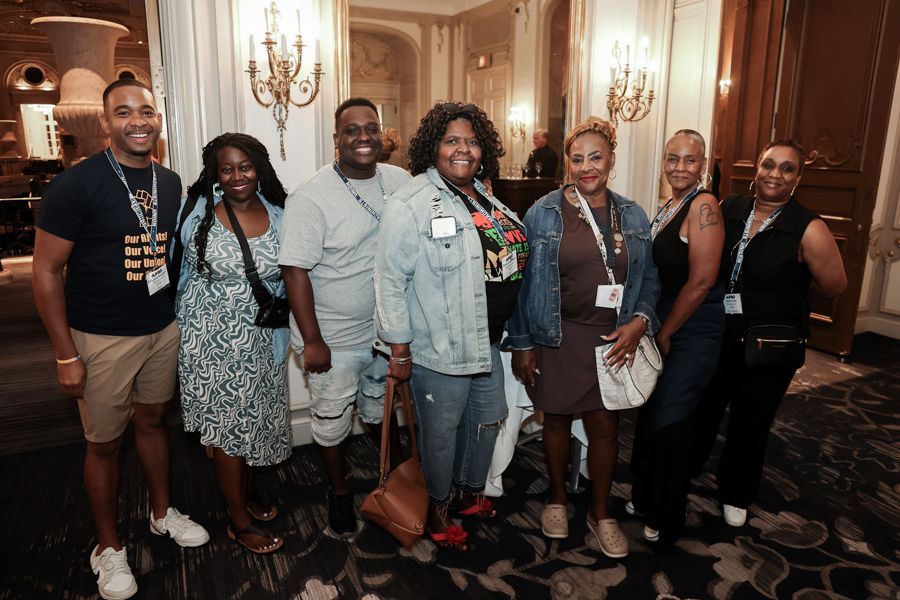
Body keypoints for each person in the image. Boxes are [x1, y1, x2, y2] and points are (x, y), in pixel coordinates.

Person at [32, 79, 208, 600]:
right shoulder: (76, 185)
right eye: (124, 112)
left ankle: (161, 513)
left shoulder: (170, 181)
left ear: (158, 120)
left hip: (161, 327)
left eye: (147, 111)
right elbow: (45, 272)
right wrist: (66, 353)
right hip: (100, 336)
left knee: (154, 421)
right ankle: (107, 548)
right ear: (106, 122)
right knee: (104, 444)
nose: (138, 120)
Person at [375, 101, 529, 550]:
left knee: (484, 422)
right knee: (440, 437)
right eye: (452, 141)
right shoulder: (412, 201)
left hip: (487, 341)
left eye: (472, 141)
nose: (464, 149)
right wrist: (399, 350)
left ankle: (467, 493)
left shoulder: (482, 193)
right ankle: (438, 510)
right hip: (439, 346)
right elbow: (388, 280)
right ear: (433, 147)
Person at [506, 116, 660, 559]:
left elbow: (649, 279)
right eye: (577, 159)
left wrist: (640, 322)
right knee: (553, 419)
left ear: (611, 159)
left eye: (596, 157)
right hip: (558, 335)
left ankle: (600, 512)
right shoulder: (544, 212)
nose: (587, 166)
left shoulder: (631, 213)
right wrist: (523, 342)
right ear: (568, 164)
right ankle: (556, 498)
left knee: (605, 426)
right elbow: (521, 281)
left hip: (612, 338)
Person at [690, 139, 847, 527]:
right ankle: (687, 472)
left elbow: (834, 285)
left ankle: (736, 493)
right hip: (719, 330)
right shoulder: (731, 208)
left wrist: (786, 294)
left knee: (751, 419)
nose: (775, 174)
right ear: (756, 169)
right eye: (768, 164)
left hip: (769, 344)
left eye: (787, 168)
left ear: (798, 178)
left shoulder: (809, 228)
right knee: (703, 407)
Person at [279, 98, 411, 537]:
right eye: (351, 130)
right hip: (335, 336)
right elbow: (294, 270)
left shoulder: (400, 180)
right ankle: (339, 492)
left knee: (379, 404)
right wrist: (313, 340)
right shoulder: (310, 196)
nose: (362, 137)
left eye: (370, 128)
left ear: (382, 134)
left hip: (388, 329)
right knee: (332, 416)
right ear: (336, 140)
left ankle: (390, 477)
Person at [174, 133, 290, 554]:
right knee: (227, 431)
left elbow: (294, 275)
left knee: (254, 421)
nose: (237, 175)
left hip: (262, 341)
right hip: (210, 343)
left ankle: (244, 494)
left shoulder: (280, 215)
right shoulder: (198, 213)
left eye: (245, 166)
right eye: (227, 168)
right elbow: (180, 270)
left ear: (259, 169)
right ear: (215, 174)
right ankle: (237, 519)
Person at [627, 129, 724, 544]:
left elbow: (702, 281)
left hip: (691, 328)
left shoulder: (704, 206)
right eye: (672, 158)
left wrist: (664, 332)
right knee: (654, 412)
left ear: (703, 164)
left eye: (689, 160)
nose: (679, 167)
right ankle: (648, 494)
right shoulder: (670, 204)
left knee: (673, 417)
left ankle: (667, 514)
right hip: (666, 322)